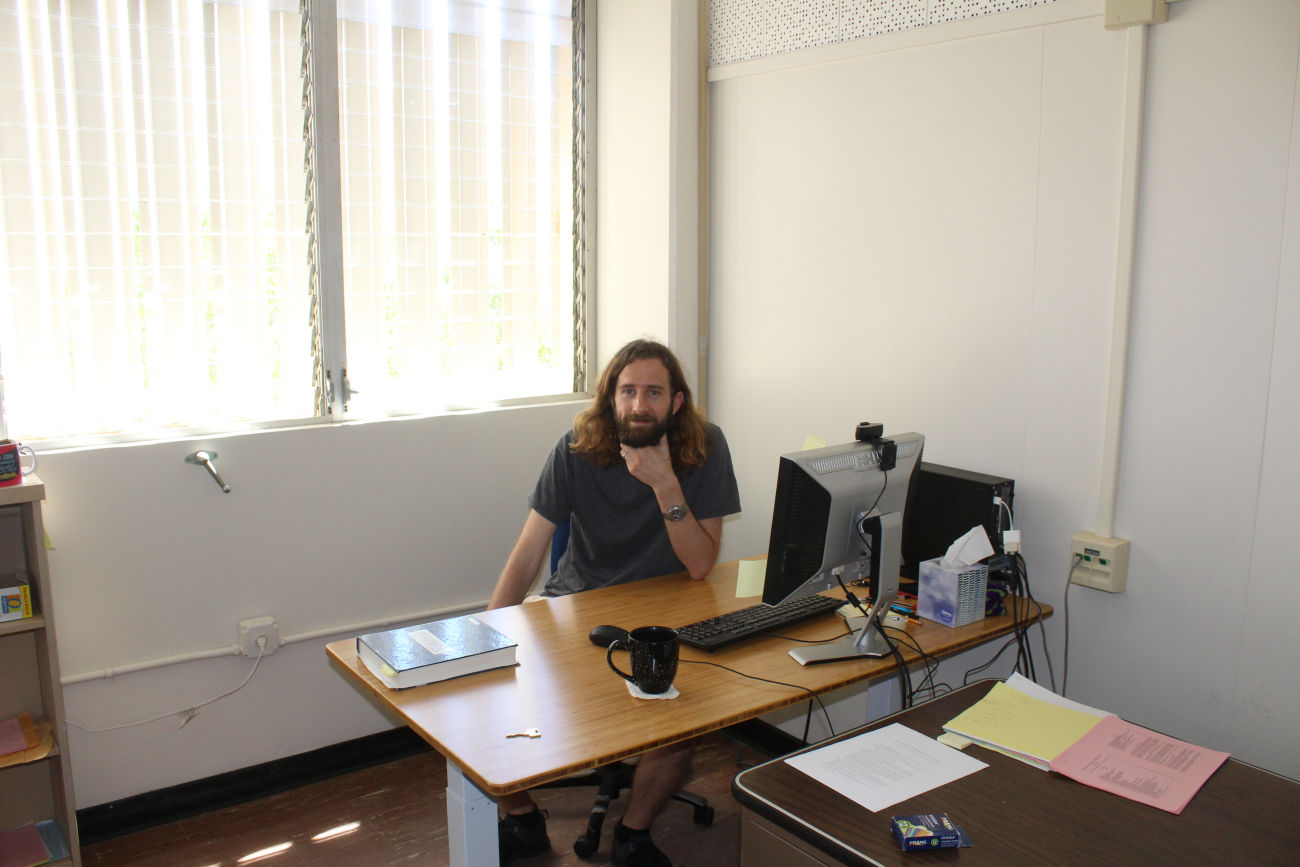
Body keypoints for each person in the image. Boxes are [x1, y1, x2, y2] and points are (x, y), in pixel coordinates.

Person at [488, 338, 741, 867]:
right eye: (627, 391)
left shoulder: (705, 446)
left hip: (667, 609)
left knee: (677, 730)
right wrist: (488, 632)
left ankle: (633, 832)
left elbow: (700, 565)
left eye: (653, 392)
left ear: (675, 402)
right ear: (611, 397)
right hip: (576, 606)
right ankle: (523, 819)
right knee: (484, 712)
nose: (638, 405)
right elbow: (529, 550)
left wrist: (665, 484)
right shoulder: (578, 448)